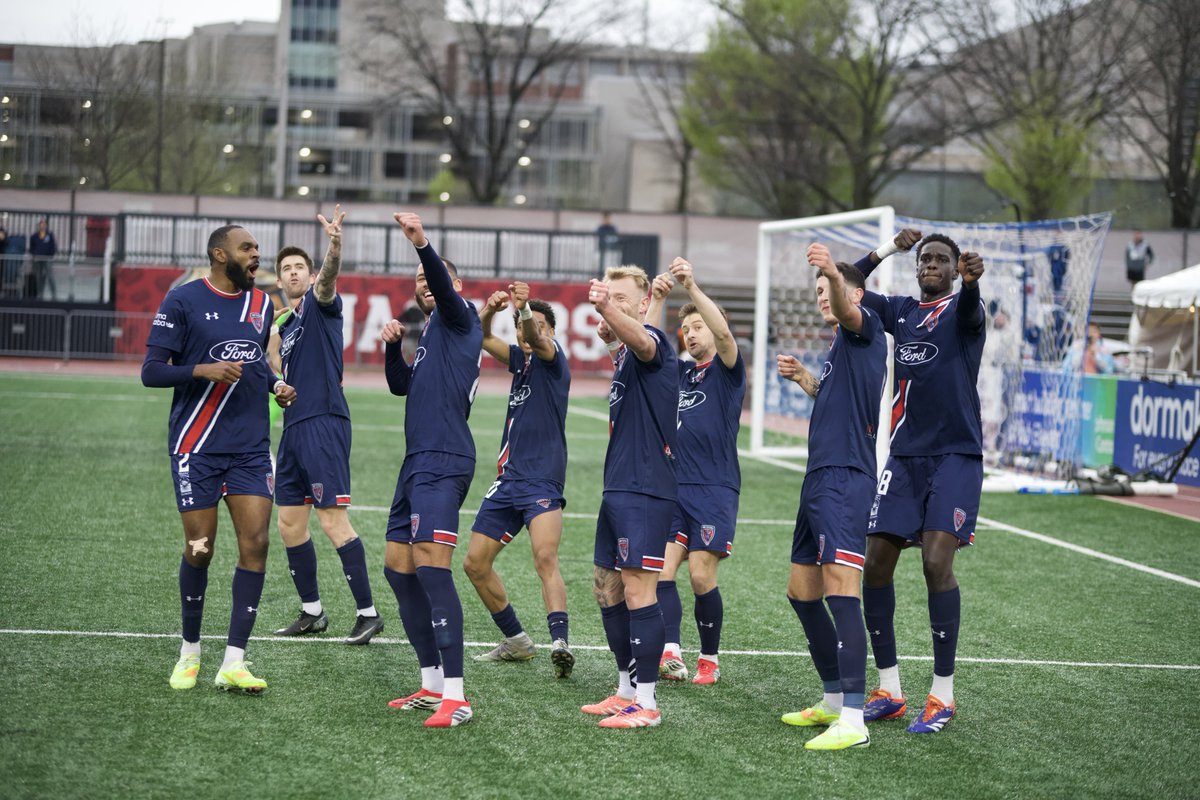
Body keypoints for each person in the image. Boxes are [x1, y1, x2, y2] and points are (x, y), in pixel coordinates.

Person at [141, 224, 296, 694]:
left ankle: (234, 660)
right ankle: (190, 651)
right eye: (246, 248)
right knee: (200, 549)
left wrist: (276, 385)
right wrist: (201, 370)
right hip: (196, 445)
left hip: (250, 446)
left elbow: (255, 363)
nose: (256, 255)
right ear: (218, 254)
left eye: (256, 248)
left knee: (257, 544)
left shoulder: (261, 304)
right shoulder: (183, 300)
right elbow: (151, 372)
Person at [853, 231, 987, 735]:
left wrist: (972, 286)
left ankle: (943, 695)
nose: (931, 264)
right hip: (904, 457)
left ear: (955, 270)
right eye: (924, 259)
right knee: (876, 563)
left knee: (936, 563)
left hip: (955, 456)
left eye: (940, 260)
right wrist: (886, 249)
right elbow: (848, 285)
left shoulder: (963, 311)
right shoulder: (902, 310)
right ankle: (889, 689)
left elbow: (973, 313)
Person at [774, 245, 887, 751]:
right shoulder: (841, 346)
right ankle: (834, 699)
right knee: (803, 593)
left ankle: (855, 720)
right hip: (817, 477)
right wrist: (806, 380)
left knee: (843, 592)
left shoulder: (864, 331)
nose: (823, 297)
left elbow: (846, 301)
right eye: (818, 290)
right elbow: (836, 396)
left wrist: (832, 271)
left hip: (846, 477)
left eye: (828, 290)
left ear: (854, 296)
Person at [380, 212, 483, 728]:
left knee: (431, 567)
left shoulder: (460, 316)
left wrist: (422, 245)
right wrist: (390, 347)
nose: (423, 286)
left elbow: (440, 283)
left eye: (432, 279)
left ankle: (457, 696)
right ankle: (431, 684)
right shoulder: (431, 336)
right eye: (417, 281)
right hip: (415, 463)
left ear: (452, 285)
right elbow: (401, 387)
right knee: (397, 566)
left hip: (444, 459)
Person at [270, 206, 384, 645]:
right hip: (295, 428)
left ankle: (368, 613)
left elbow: (329, 279)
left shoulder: (321, 305)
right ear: (279, 281)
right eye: (287, 270)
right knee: (289, 524)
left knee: (333, 520)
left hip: (323, 423)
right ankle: (313, 611)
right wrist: (277, 371)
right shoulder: (289, 323)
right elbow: (274, 358)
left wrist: (333, 245)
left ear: (309, 274)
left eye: (300, 267)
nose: (294, 273)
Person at [581, 265, 679, 728]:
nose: (613, 303)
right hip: (618, 485)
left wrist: (606, 306)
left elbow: (642, 339)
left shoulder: (655, 345)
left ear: (641, 307)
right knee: (606, 587)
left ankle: (648, 703)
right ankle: (624, 689)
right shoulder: (625, 352)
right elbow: (625, 337)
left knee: (640, 590)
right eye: (609, 295)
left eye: (624, 298)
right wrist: (617, 312)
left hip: (645, 487)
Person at [463, 281, 574, 678]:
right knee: (475, 564)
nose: (532, 332)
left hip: (542, 481)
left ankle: (560, 640)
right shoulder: (520, 360)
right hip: (508, 482)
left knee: (545, 557)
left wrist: (525, 312)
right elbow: (478, 335)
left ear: (554, 333)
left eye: (543, 325)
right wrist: (493, 309)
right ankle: (517, 640)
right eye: (527, 325)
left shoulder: (552, 357)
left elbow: (533, 336)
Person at [644, 257, 745, 686]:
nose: (690, 333)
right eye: (686, 329)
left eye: (697, 326)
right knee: (662, 574)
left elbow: (722, 331)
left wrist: (691, 286)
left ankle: (710, 658)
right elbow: (645, 344)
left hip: (714, 487)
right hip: (674, 487)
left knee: (701, 575)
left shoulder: (726, 370)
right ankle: (671, 652)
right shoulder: (680, 374)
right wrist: (657, 299)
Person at [29, 218, 57, 300]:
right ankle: (40, 293)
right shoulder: (34, 236)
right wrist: (34, 255)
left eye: (44, 224)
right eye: (41, 224)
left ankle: (54, 293)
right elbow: (32, 247)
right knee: (39, 276)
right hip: (38, 259)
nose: (42, 226)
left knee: (50, 275)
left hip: (47, 258)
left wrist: (50, 255)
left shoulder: (49, 235)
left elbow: (53, 247)